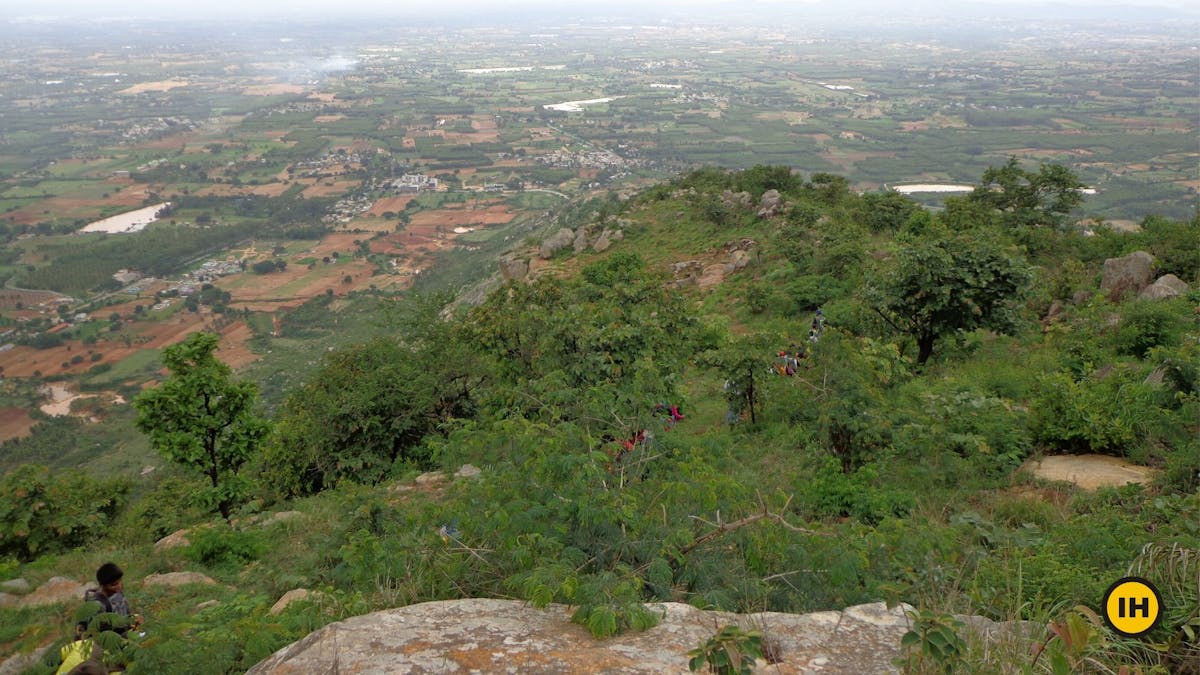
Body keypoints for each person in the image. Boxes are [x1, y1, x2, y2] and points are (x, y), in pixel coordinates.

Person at [80, 563, 141, 638]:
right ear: (103, 586)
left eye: (120, 581)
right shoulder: (97, 605)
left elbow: (125, 613)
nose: (119, 586)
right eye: (113, 585)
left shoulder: (117, 593)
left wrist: (133, 620)